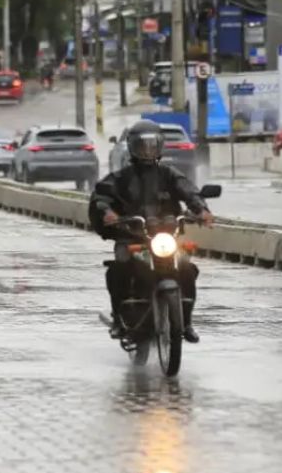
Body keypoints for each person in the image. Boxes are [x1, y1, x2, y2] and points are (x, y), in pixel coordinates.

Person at [89, 120, 214, 343]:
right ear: (132, 147)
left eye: (152, 145)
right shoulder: (121, 177)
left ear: (160, 146)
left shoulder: (169, 174)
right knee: (119, 268)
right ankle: (119, 319)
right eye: (142, 145)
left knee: (187, 268)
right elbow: (101, 196)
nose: (147, 150)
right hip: (132, 237)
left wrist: (201, 210)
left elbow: (189, 191)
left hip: (166, 236)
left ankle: (186, 321)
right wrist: (107, 212)